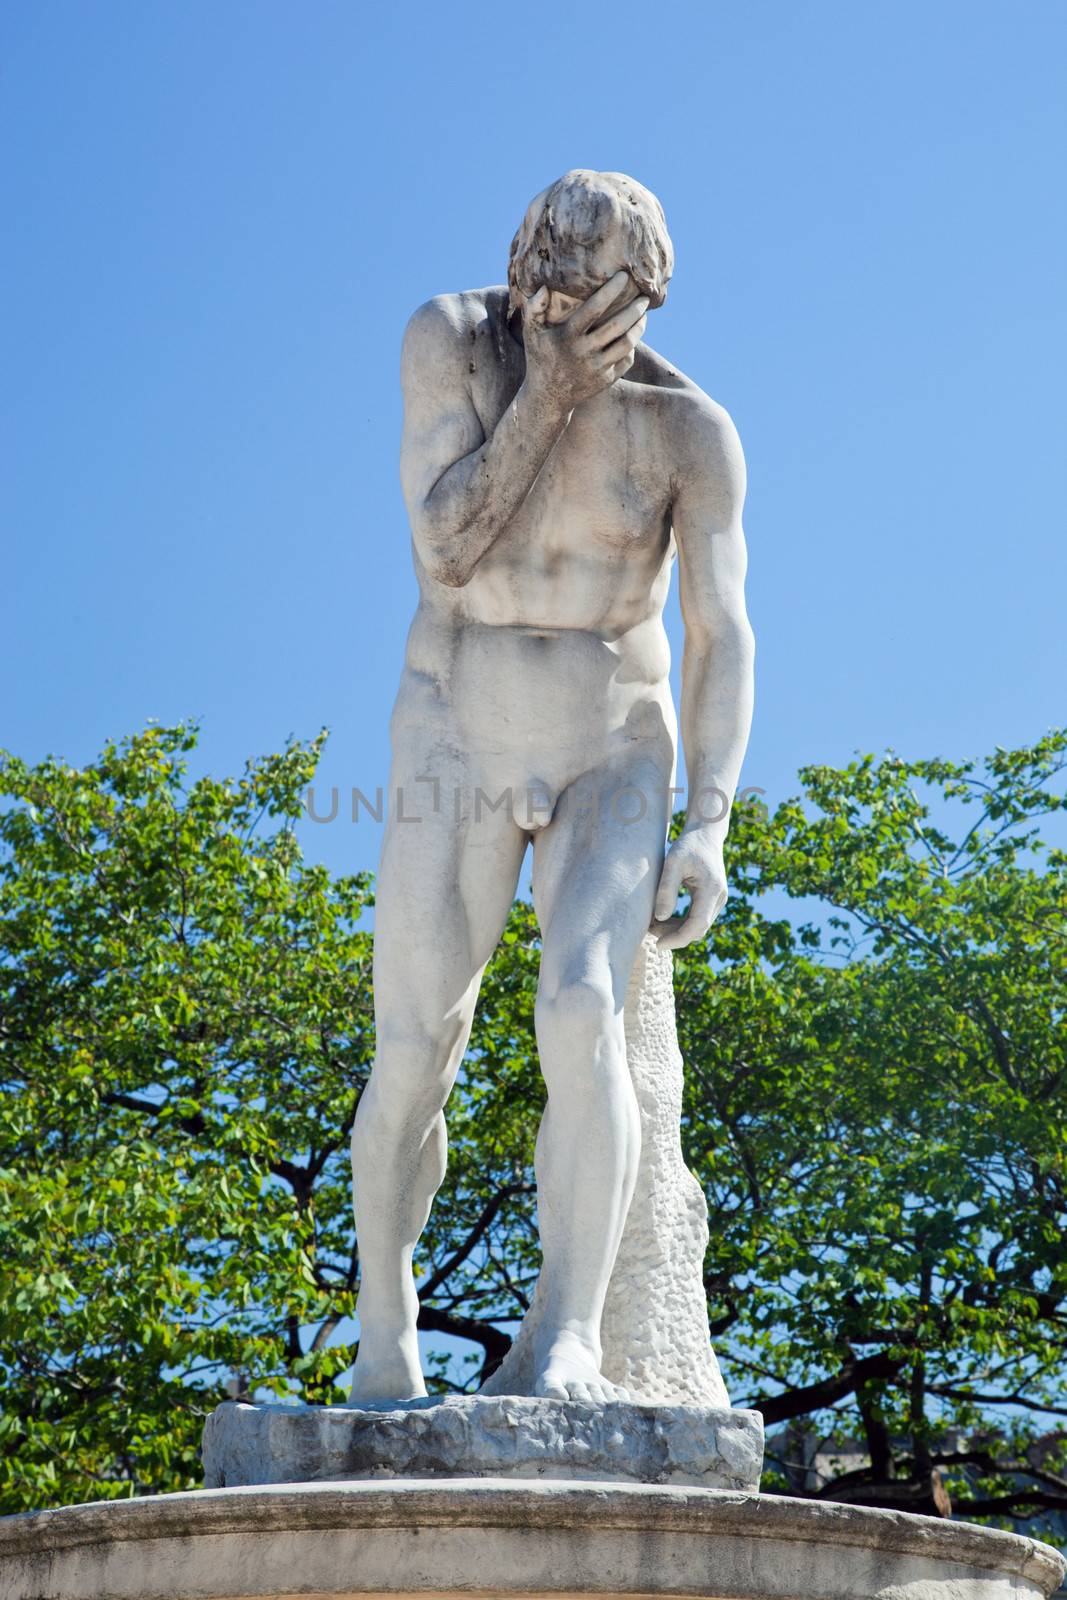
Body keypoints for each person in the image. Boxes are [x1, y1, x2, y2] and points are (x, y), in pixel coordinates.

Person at [349, 170, 754, 1404]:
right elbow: (444, 546)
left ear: (645, 300)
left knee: (582, 1010)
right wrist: (546, 397)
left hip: (608, 742)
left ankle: (569, 1328)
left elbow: (719, 630)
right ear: (519, 271)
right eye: (550, 290)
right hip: (452, 728)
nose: (570, 317)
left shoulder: (689, 431)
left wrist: (709, 822)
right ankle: (383, 1317)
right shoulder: (450, 346)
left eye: (601, 301)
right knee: (415, 1045)